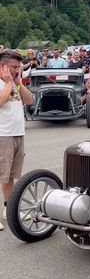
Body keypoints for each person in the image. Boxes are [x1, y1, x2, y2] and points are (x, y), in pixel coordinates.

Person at [0, 49, 33, 230]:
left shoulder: (14, 82)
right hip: (2, 135)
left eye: (18, 67)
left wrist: (18, 83)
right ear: (2, 66)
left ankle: (8, 209)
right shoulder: (3, 83)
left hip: (17, 134)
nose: (16, 70)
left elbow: (29, 101)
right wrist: (8, 82)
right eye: (13, 67)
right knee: (1, 175)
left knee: (9, 177)